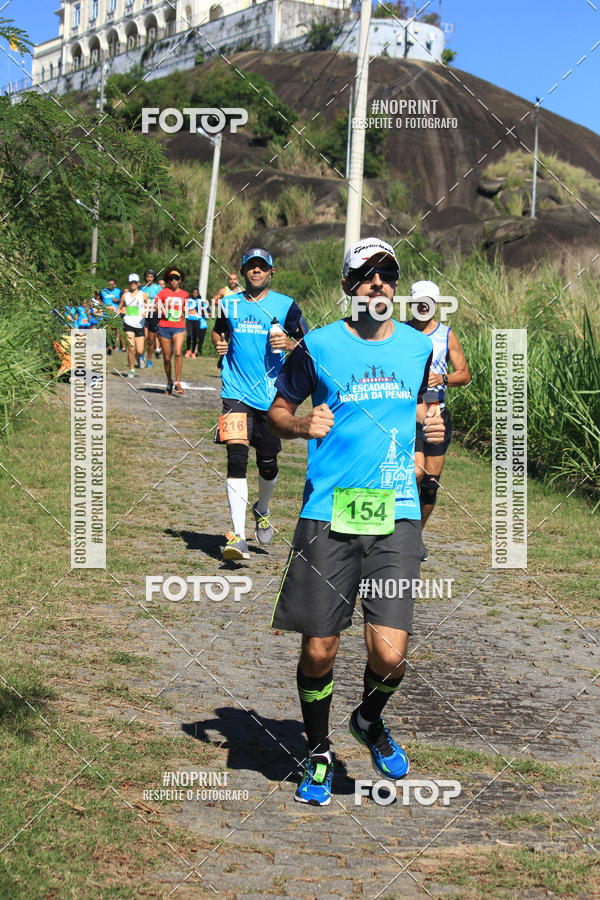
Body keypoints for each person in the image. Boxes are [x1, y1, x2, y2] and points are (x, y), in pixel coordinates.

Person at [267, 237, 445, 806]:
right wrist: (301, 427)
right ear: (349, 287)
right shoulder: (317, 346)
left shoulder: (418, 349)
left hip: (395, 510)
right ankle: (317, 753)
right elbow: (275, 414)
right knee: (320, 649)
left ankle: (367, 719)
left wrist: (430, 428)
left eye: (387, 274)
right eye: (366, 275)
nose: (379, 284)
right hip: (332, 509)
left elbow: (413, 405)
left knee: (390, 654)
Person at [212, 248, 306, 561]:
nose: (256, 272)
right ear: (243, 271)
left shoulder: (286, 306)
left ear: (271, 272)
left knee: (267, 464)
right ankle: (237, 536)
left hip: (271, 397)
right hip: (234, 392)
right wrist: (218, 343)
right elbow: (218, 332)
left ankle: (262, 508)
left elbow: (310, 345)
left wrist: (290, 344)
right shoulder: (230, 303)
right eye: (251, 267)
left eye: (261, 267)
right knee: (236, 458)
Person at [407, 281, 470, 557]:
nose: (422, 306)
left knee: (430, 484)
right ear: (410, 304)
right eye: (418, 301)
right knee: (413, 474)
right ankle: (400, 534)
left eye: (427, 302)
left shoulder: (446, 335)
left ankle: (414, 537)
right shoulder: (399, 332)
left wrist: (441, 378)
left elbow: (465, 375)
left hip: (436, 413)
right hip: (407, 412)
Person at [156, 267, 188, 395]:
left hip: (179, 326)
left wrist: (190, 311)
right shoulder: (163, 293)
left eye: (176, 278)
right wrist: (166, 305)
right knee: (167, 357)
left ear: (180, 280)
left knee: (179, 353)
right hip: (164, 327)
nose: (173, 281)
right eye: (171, 279)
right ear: (168, 280)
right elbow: (156, 308)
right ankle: (169, 381)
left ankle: (178, 382)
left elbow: (185, 309)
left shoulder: (185, 294)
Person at [119, 274, 148, 378]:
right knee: (131, 348)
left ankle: (138, 357)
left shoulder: (143, 295)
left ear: (138, 283)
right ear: (129, 283)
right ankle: (131, 369)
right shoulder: (125, 295)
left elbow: (150, 306)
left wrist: (146, 312)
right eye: (131, 282)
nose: (133, 284)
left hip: (140, 324)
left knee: (139, 351)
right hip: (128, 323)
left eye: (135, 282)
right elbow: (120, 307)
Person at [141, 268, 162, 369]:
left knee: (150, 340)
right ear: (145, 277)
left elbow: (162, 300)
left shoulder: (158, 288)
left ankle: (149, 360)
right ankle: (141, 354)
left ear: (154, 278)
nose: (149, 278)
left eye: (151, 277)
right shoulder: (142, 289)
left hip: (154, 315)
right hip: (144, 314)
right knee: (143, 337)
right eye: (148, 277)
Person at [101, 278, 125, 351]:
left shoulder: (118, 291)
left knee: (116, 331)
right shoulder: (103, 291)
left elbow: (123, 301)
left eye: (112, 284)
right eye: (109, 284)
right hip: (106, 315)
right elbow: (100, 300)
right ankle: (109, 346)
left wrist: (117, 300)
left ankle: (117, 347)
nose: (110, 286)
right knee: (108, 331)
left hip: (116, 314)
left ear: (114, 284)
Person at [184, 287, 207, 358]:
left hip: (197, 320)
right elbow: (185, 308)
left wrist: (201, 309)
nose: (195, 294)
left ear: (198, 293)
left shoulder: (200, 301)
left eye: (196, 293)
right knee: (189, 335)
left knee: (195, 336)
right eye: (194, 293)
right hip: (189, 320)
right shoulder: (189, 300)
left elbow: (205, 311)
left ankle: (193, 352)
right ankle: (188, 350)